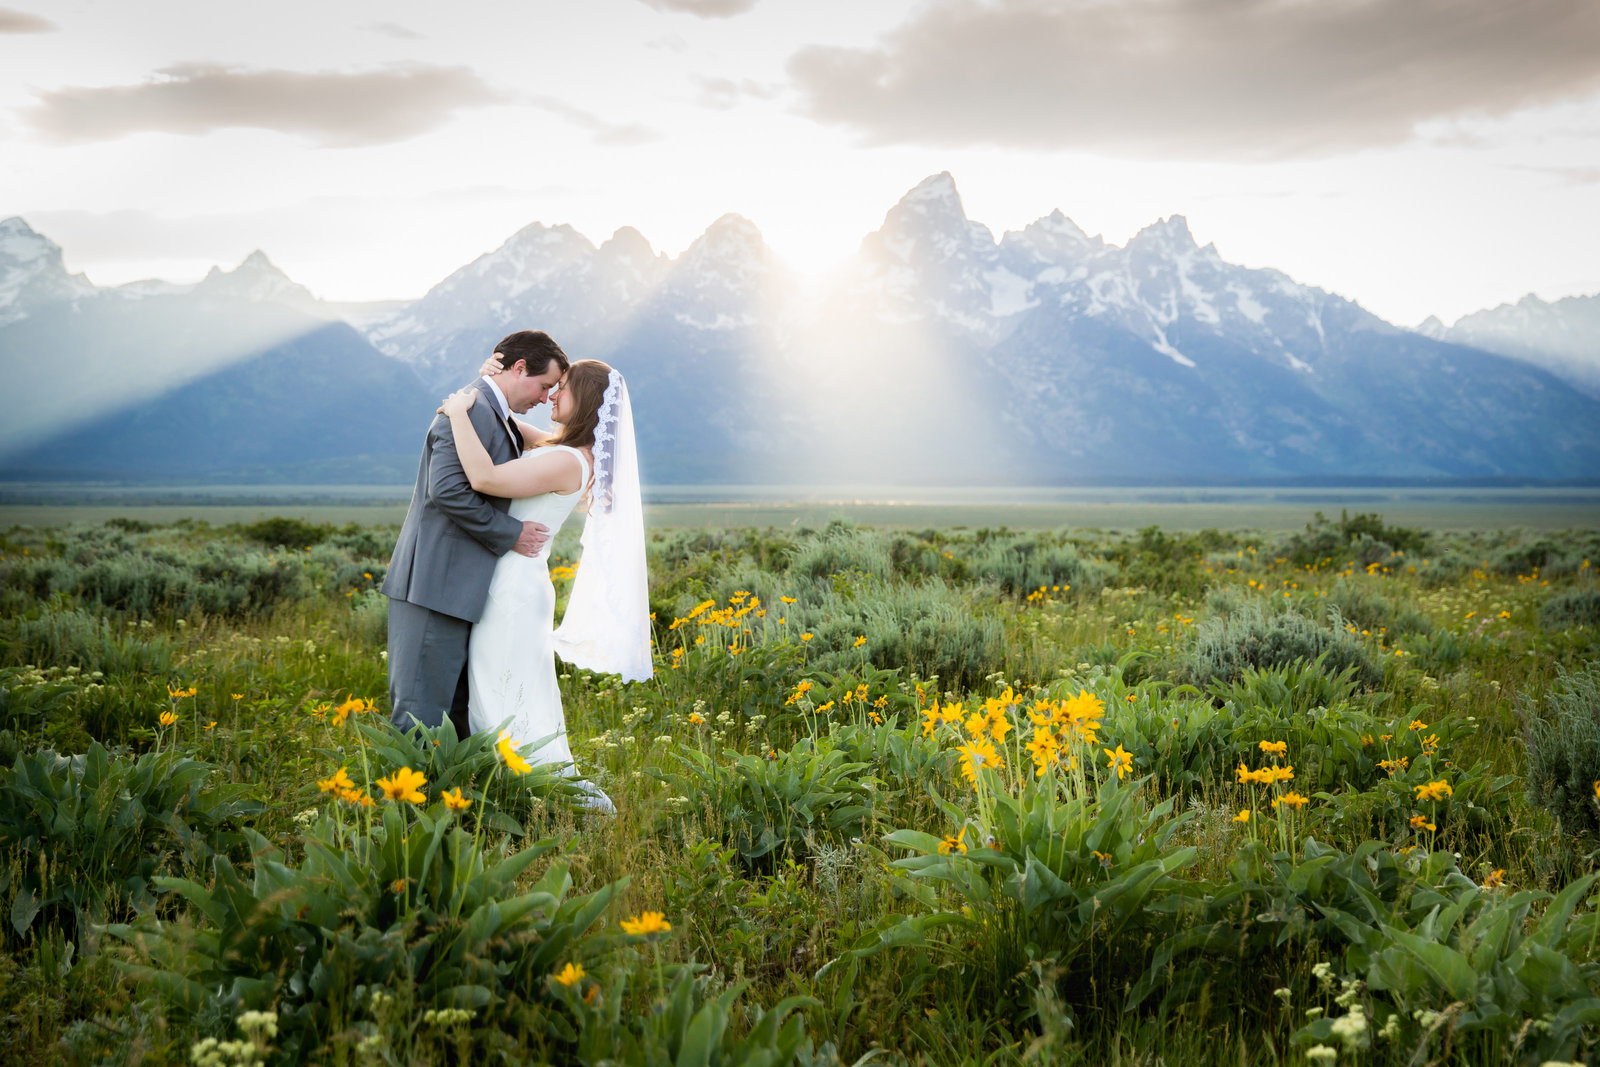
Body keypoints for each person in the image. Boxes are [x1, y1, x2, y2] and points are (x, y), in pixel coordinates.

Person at [440, 357, 652, 813]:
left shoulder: (566, 461)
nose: (552, 394)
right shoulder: (567, 450)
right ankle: (521, 789)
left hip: (512, 593)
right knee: (507, 688)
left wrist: (457, 413)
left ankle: (527, 797)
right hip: (515, 586)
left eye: (564, 389)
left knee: (501, 690)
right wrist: (488, 380)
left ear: (588, 401)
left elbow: (485, 478)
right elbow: (514, 423)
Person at [381, 330, 567, 738]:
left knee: (456, 716)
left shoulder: (485, 409)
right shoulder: (466, 408)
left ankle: (457, 801)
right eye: (544, 386)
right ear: (519, 368)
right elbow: (445, 489)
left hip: (461, 587)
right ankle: (407, 802)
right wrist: (510, 532)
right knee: (420, 713)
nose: (543, 398)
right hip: (432, 585)